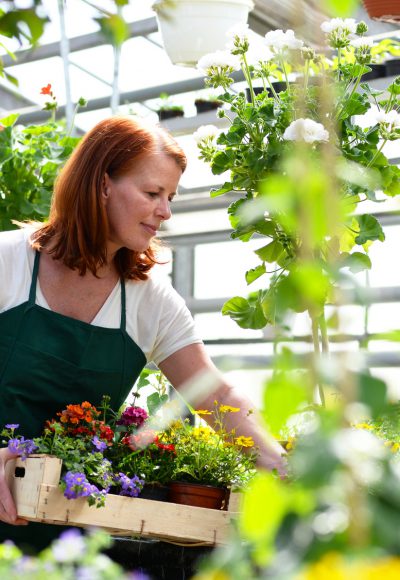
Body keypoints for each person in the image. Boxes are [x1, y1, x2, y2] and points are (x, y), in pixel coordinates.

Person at [0, 116, 286, 550]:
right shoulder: (8, 262)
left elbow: (216, 394)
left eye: (169, 197)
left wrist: (287, 470)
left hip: (68, 535)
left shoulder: (149, 298)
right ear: (101, 185)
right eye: (152, 193)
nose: (165, 211)